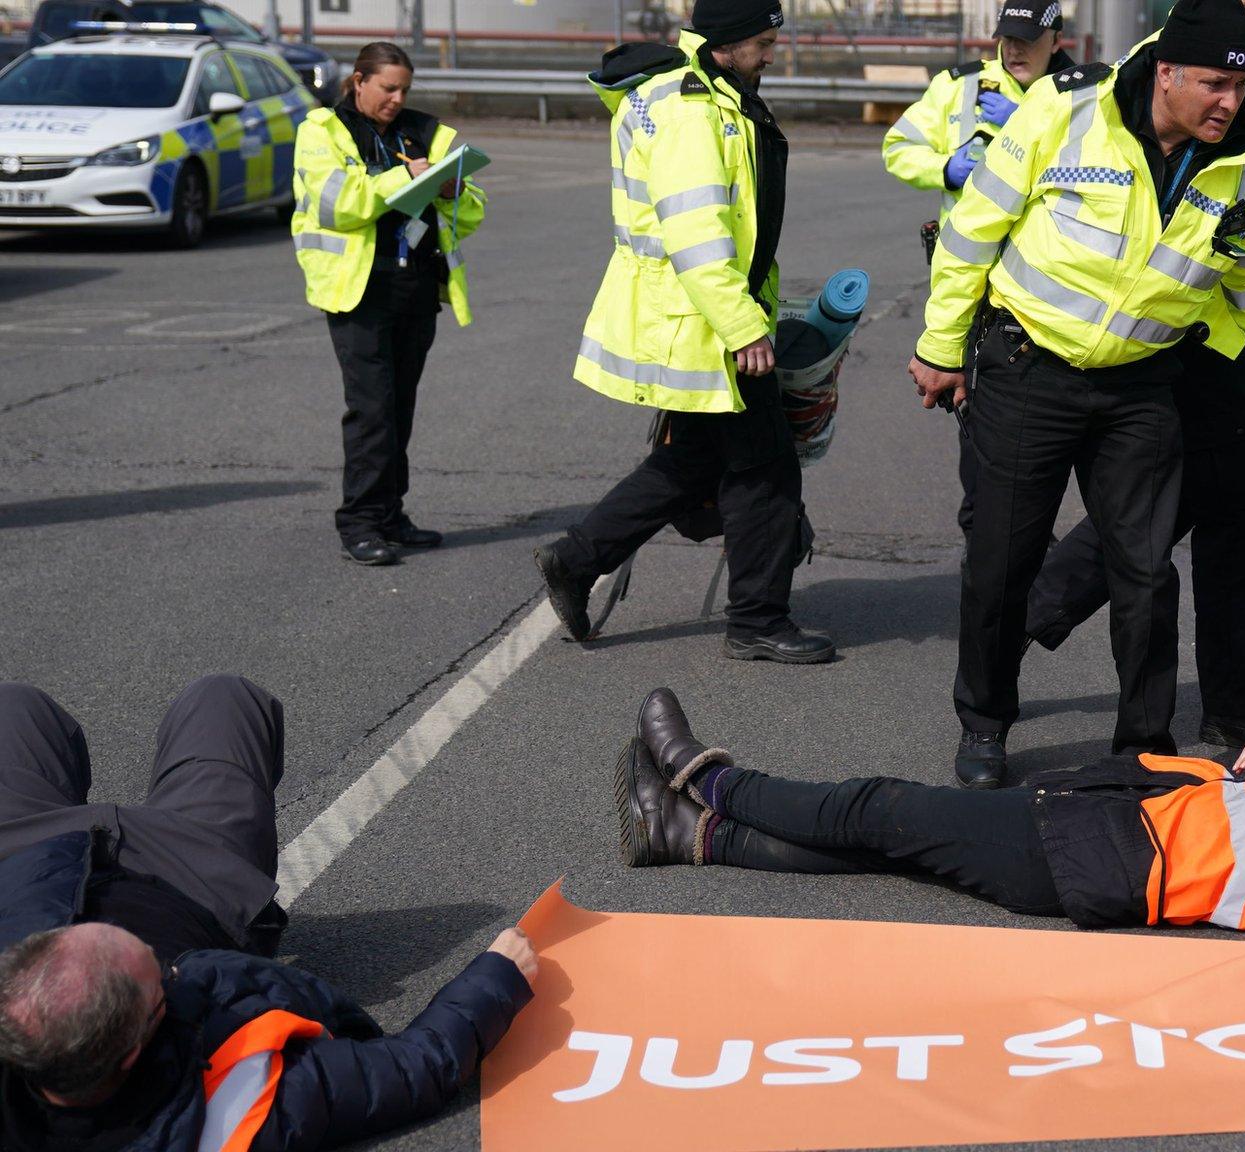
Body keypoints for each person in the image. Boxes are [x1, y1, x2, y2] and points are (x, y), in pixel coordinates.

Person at [910, 0, 1245, 786]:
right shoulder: (1066, 113)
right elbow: (974, 233)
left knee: (1145, 574)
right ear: (1166, 72)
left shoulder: (1244, 159)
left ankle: (1143, 746)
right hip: (1030, 370)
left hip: (1141, 386)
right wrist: (939, 346)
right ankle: (986, 724)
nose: (1228, 104)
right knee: (1001, 561)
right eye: (1211, 86)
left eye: (1240, 88)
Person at [0, 677, 538, 1150]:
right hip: (193, 875)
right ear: (134, 1046)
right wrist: (499, 975)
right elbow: (416, 1069)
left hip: (28, 860)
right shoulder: (234, 1100)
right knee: (223, 699)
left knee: (14, 708)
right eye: (158, 974)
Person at [615, 683, 1245, 934]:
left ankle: (709, 778)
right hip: (1109, 828)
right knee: (899, 850)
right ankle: (691, 835)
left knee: (880, 810)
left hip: (1103, 858)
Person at [1024, 0, 1245, 751]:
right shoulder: (1167, 66)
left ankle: (1239, 704)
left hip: (1225, 323)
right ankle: (1022, 617)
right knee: (1173, 510)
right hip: (1167, 327)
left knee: (1222, 512)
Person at [533, 0, 835, 665]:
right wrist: (741, 326)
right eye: (760, 41)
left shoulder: (699, 90)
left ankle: (577, 560)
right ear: (724, 42)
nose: (770, 53)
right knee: (765, 470)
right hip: (703, 319)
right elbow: (696, 232)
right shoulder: (692, 112)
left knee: (692, 461)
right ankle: (756, 619)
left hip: (693, 314)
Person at [882, 0, 1074, 540]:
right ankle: (992, 559)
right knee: (981, 442)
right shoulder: (959, 87)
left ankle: (1023, 555)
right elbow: (897, 146)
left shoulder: (1085, 93)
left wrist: (1031, 133)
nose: (1013, 49)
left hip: (1052, 294)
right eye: (1006, 37)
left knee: (1044, 441)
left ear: (1055, 38)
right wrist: (945, 168)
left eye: (1028, 39)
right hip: (974, 292)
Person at [292, 42, 487, 567]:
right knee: (372, 411)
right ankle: (358, 521)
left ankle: (390, 515)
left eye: (404, 89)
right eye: (387, 88)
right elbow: (341, 205)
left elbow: (471, 214)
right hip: (359, 293)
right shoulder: (323, 131)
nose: (397, 99)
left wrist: (451, 192)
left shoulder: (426, 133)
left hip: (417, 290)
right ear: (359, 82)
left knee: (399, 408)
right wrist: (408, 177)